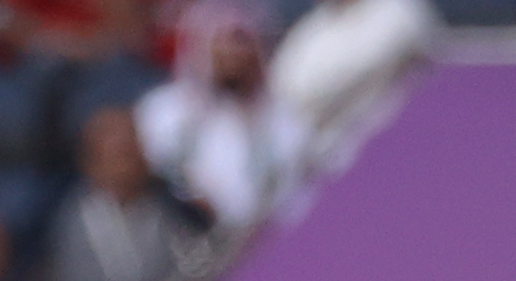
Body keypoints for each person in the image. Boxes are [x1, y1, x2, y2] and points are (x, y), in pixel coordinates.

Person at [51, 106, 207, 281]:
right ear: (92, 164)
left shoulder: (170, 210)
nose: (131, 163)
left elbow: (198, 274)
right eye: (119, 156)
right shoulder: (74, 225)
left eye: (135, 151)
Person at [135, 0, 304, 234]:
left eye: (241, 42)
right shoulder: (174, 114)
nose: (235, 55)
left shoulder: (287, 103)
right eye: (223, 44)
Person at [271, 0, 433, 148]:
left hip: (389, 143)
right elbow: (281, 86)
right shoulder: (315, 24)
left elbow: (358, 67)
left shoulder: (399, 10)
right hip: (318, 153)